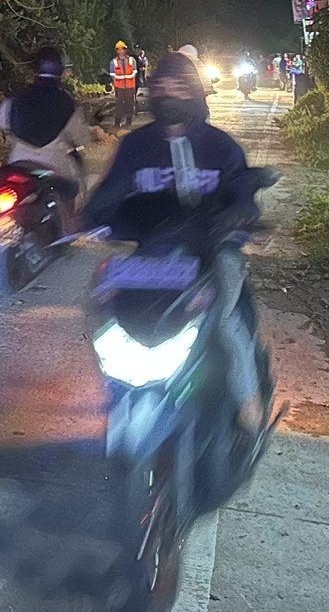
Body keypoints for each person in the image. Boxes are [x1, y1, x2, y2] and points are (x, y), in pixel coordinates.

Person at [82, 51, 265, 433]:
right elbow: (111, 191)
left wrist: (241, 211)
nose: (169, 94)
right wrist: (95, 215)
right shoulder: (136, 146)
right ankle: (120, 388)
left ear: (195, 92)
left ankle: (248, 400)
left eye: (179, 86)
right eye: (161, 86)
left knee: (227, 315)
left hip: (212, 252)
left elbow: (241, 189)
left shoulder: (220, 147)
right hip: (156, 253)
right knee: (105, 298)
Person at [0, 45, 92, 208]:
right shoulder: (66, 103)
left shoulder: (18, 97)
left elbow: (1, 121)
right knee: (74, 191)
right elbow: (82, 138)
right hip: (55, 165)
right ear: (61, 70)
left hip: (18, 163)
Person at [110, 40, 139, 128]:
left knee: (129, 103)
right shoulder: (113, 62)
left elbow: (134, 72)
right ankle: (117, 122)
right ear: (117, 51)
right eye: (119, 49)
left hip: (130, 86)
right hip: (119, 86)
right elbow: (112, 74)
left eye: (122, 49)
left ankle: (128, 121)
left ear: (125, 50)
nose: (121, 51)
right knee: (119, 104)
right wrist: (118, 80)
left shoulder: (131, 60)